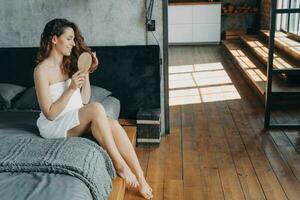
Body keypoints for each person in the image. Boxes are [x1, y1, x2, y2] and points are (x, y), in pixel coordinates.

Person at [34, 18, 153, 199]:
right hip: (54, 124)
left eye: (74, 39)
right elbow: (49, 114)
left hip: (73, 117)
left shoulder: (69, 64)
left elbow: (84, 99)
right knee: (97, 108)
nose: (73, 44)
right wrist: (72, 88)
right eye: (69, 38)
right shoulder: (41, 71)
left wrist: (86, 73)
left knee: (111, 123)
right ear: (54, 39)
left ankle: (141, 177)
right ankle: (120, 165)